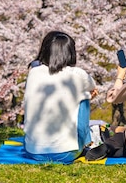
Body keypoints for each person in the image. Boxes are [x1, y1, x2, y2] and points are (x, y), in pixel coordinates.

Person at [23, 31, 98, 164]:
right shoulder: (78, 74)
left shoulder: (33, 72)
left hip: (32, 150)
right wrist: (87, 94)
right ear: (70, 53)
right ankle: (87, 143)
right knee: (84, 96)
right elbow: (93, 87)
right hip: (65, 153)